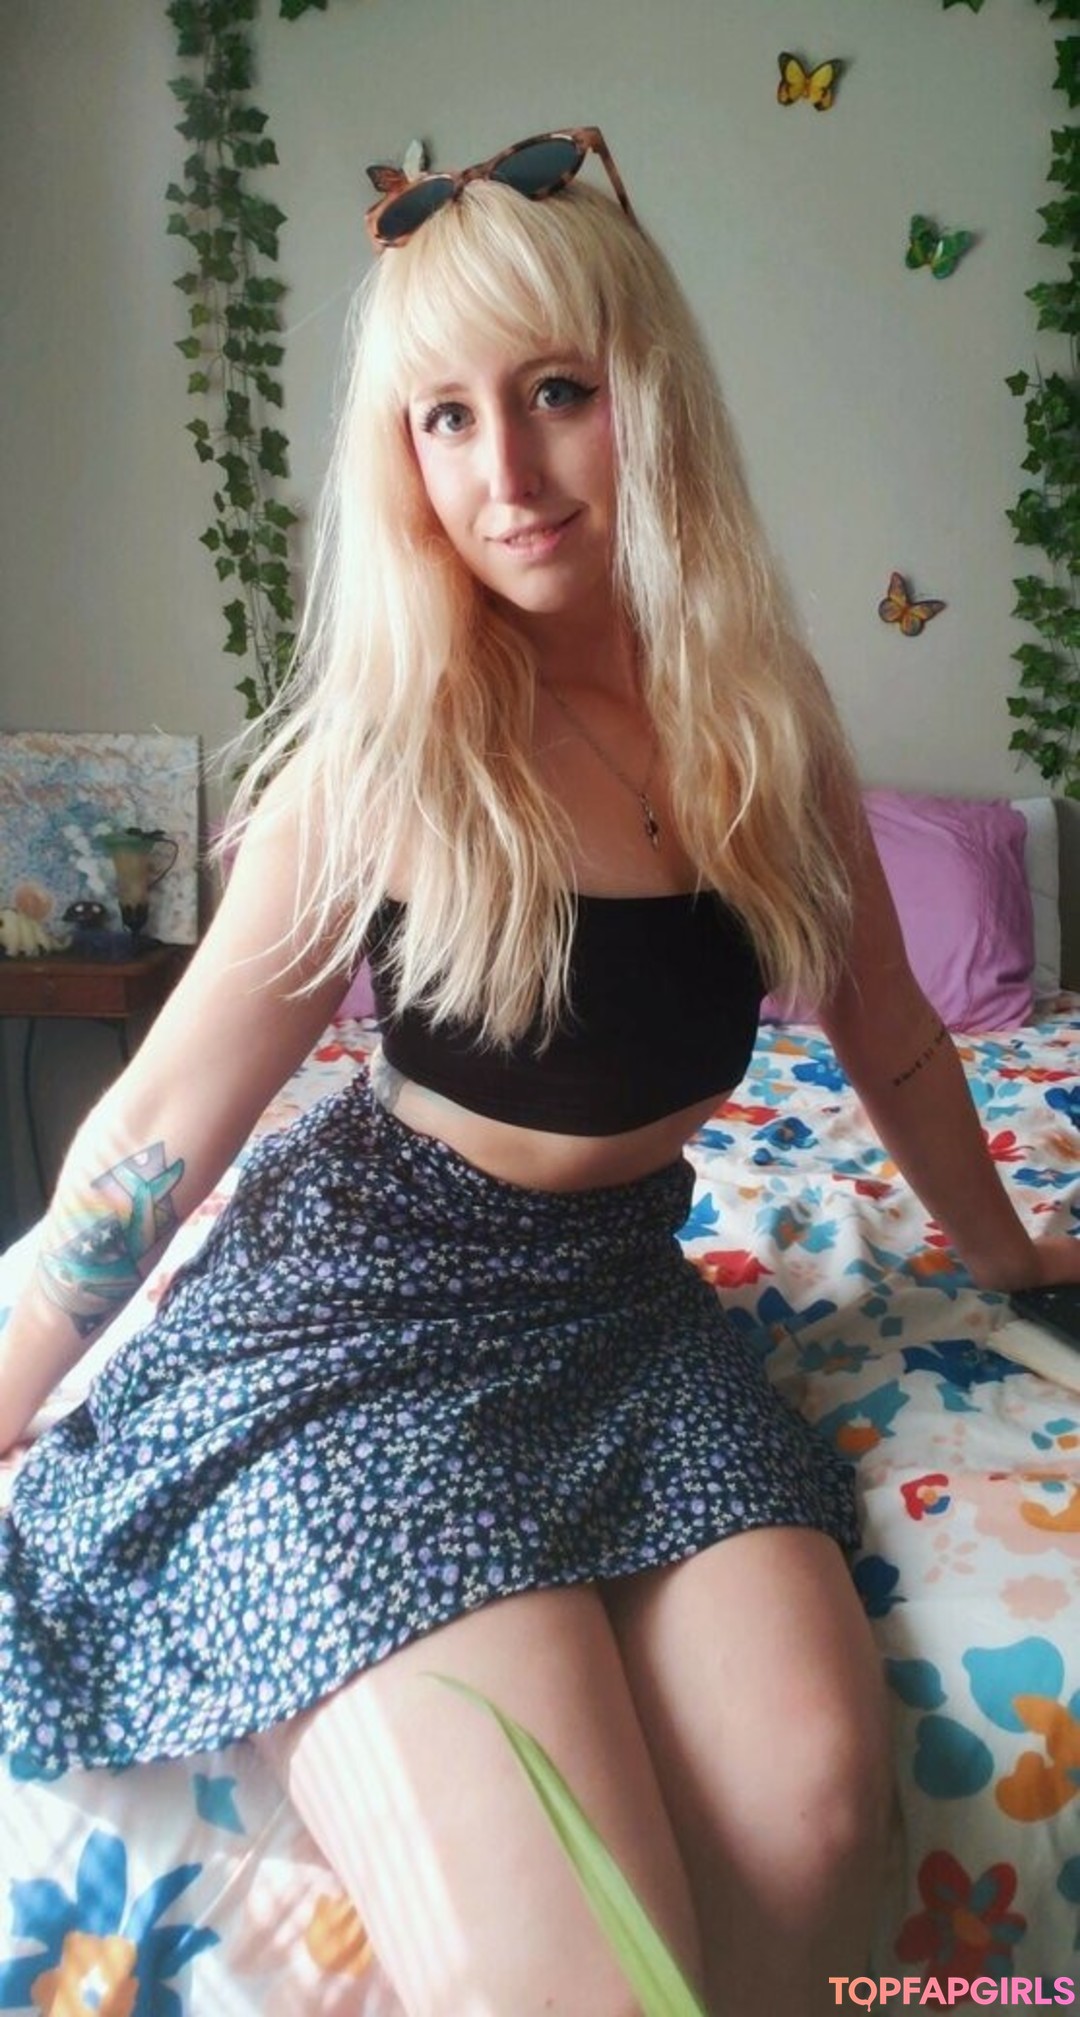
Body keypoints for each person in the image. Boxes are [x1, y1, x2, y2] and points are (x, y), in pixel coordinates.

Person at [1, 127, 1077, 2017]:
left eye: (556, 393)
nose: (503, 471)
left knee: (820, 1819)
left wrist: (1011, 1255)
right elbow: (158, 1124)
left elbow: (897, 1033)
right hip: (360, 1330)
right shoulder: (388, 751)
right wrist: (12, 1378)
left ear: (648, 396)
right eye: (444, 418)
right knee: (571, 1962)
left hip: (619, 1309)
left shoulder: (766, 723)